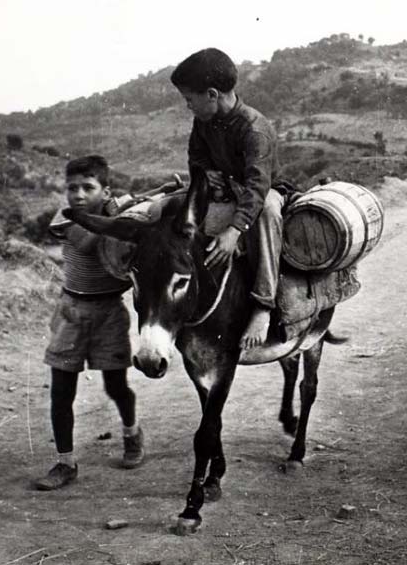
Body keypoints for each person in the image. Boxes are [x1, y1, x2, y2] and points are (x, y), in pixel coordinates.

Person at [34, 155, 144, 491]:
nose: (78, 195)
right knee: (61, 391)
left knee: (116, 386)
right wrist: (122, 208)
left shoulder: (117, 214)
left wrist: (137, 203)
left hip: (110, 312)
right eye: (72, 188)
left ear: (104, 189)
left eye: (87, 187)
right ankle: (65, 463)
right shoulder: (65, 217)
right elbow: (89, 238)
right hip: (72, 312)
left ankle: (132, 433)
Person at [171, 47, 283, 351]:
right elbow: (196, 157)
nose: (187, 106)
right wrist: (206, 174)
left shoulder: (255, 129)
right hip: (224, 193)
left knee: (269, 210)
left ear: (211, 94)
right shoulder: (203, 122)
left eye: (189, 99)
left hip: (257, 196)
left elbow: (259, 186)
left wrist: (233, 232)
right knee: (171, 207)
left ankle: (263, 305)